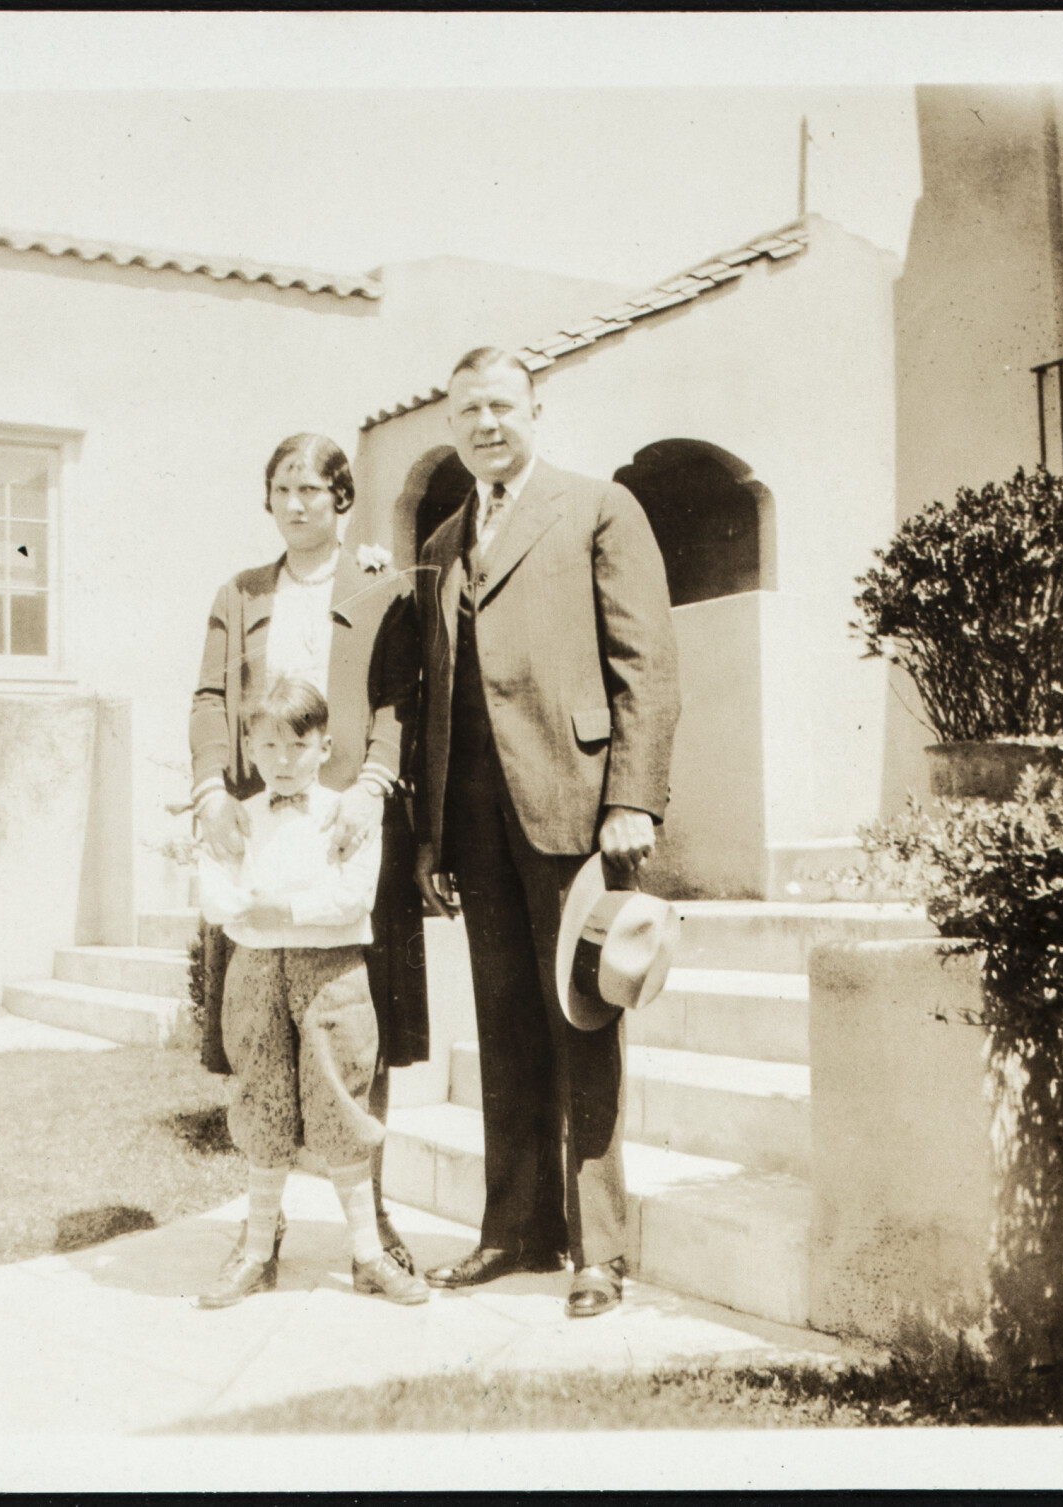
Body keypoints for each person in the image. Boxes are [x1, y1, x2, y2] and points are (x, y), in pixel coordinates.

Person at [412, 346, 681, 1319]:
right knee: (502, 1029)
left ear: (536, 409)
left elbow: (644, 663)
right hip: (474, 826)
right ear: (451, 424)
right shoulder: (443, 540)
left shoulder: (599, 506)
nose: (485, 424)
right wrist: (430, 837)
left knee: (582, 1018)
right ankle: (512, 1230)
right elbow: (436, 695)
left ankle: (596, 1251)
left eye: (500, 406)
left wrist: (632, 797)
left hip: (576, 808)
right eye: (466, 411)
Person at [190, 432, 426, 1274]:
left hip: (350, 824)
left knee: (362, 1033)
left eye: (315, 489)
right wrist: (212, 790)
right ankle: (265, 1227)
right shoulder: (241, 592)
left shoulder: (377, 586)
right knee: (262, 1044)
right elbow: (213, 696)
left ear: (342, 499)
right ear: (269, 500)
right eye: (283, 487)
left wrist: (372, 784)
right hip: (260, 837)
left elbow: (401, 701)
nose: (298, 503)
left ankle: (377, 1221)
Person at [194, 677, 430, 1308]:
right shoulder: (237, 817)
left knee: (340, 1100)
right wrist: (254, 913)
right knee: (262, 1100)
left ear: (325, 747)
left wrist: (285, 910)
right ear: (250, 748)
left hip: (331, 973)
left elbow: (352, 896)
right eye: (268, 746)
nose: (283, 760)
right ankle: (255, 1252)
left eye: (298, 745)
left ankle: (368, 1254)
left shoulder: (346, 812)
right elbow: (215, 893)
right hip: (255, 972)